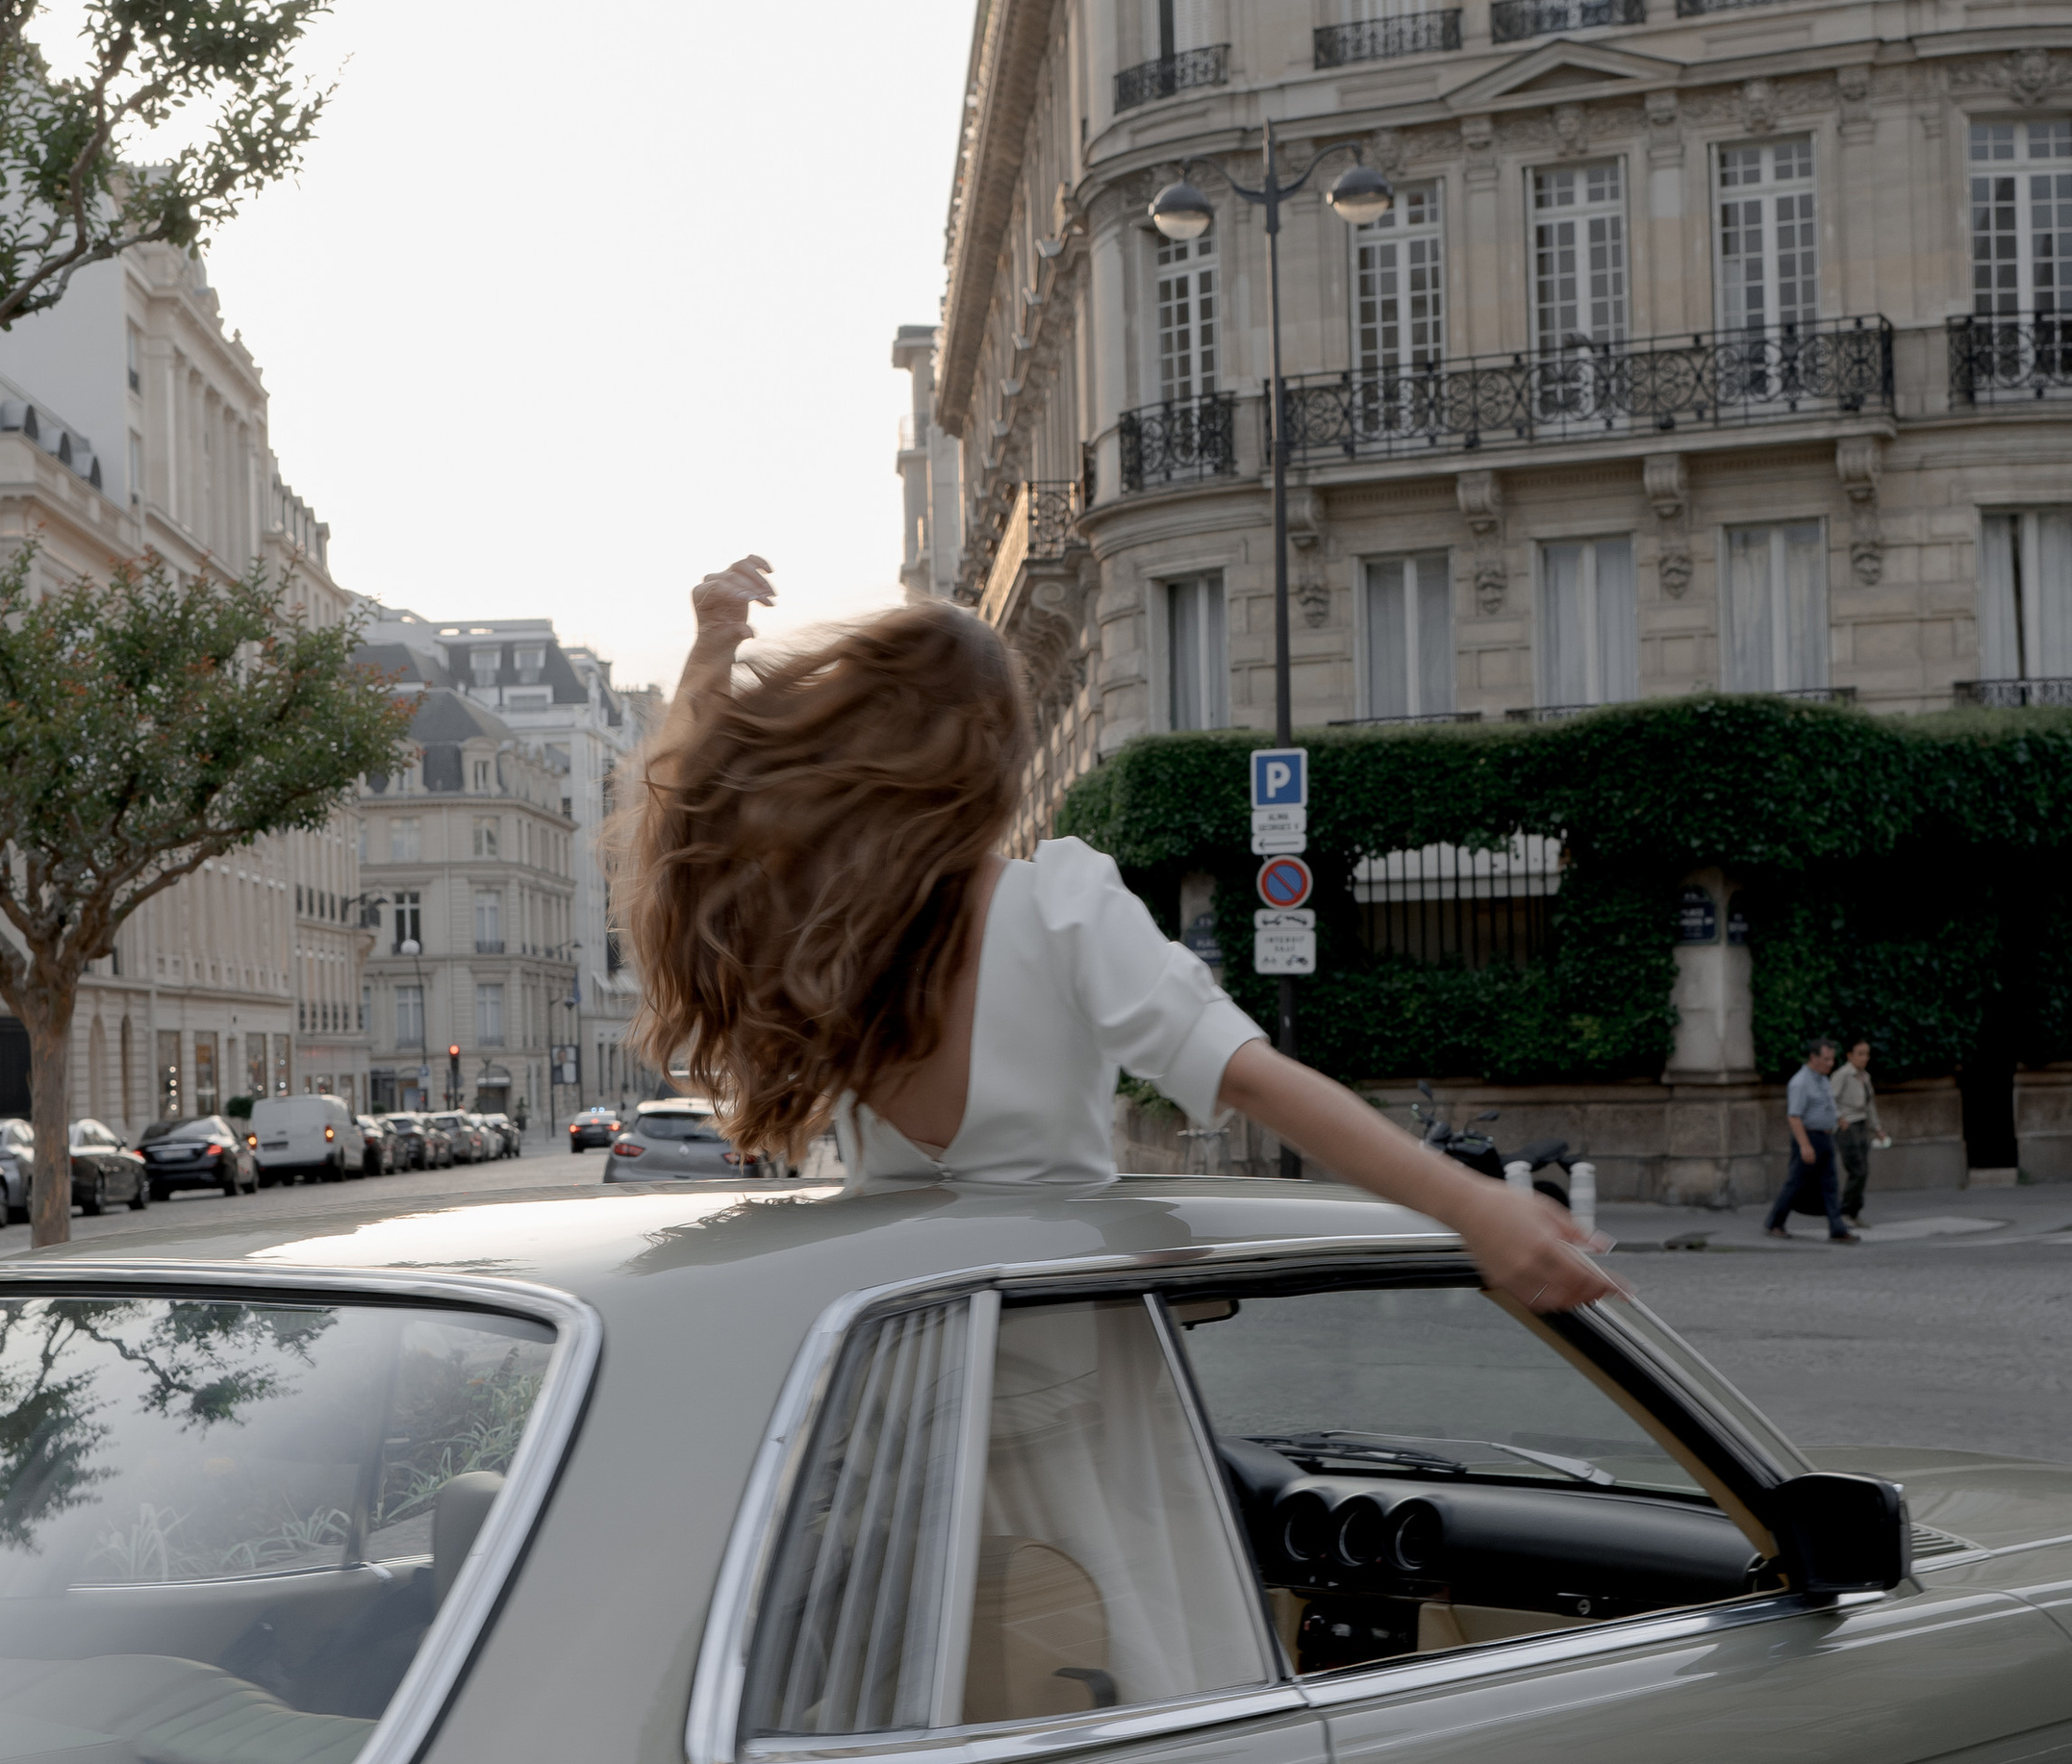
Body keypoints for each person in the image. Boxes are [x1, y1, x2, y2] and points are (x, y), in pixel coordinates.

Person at [623, 557, 1616, 1318]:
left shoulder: (833, 941)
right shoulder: (1060, 907)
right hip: (1071, 1362)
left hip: (902, 1374)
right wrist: (1475, 1208)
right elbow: (1255, 1079)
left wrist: (713, 648)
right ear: (995, 757)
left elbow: (685, 826)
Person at [1764, 1037, 1859, 1242]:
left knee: (1830, 1184)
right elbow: (1794, 1116)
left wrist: (1837, 1118)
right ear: (1813, 1057)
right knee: (1795, 1183)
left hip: (1825, 1137)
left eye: (1832, 1059)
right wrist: (1805, 1145)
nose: (1830, 1063)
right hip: (1809, 1136)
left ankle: (1837, 1228)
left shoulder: (1823, 1079)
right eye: (1826, 1059)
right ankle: (1775, 1222)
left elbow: (1825, 1104)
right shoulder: (1800, 1082)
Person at [1832, 1036, 1884, 1225]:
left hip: (1861, 1124)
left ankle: (1853, 1212)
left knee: (1863, 1170)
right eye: (1860, 1054)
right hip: (1848, 1125)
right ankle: (1845, 1211)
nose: (1864, 1058)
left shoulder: (1865, 1077)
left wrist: (1877, 1128)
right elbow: (1830, 1099)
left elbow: (1870, 1105)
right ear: (1850, 1055)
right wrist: (1839, 1117)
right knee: (1858, 1170)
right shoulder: (1843, 1075)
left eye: (1866, 1054)